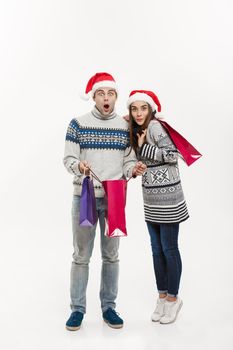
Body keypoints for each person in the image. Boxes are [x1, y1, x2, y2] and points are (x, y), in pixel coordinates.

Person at [63, 73, 146, 331]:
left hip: (114, 200)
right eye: (101, 93)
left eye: (110, 93)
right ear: (94, 96)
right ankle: (77, 310)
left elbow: (128, 160)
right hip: (84, 197)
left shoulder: (124, 128)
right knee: (81, 257)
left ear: (116, 97)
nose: (106, 97)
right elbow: (68, 160)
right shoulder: (78, 124)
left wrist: (134, 169)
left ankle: (109, 307)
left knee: (111, 256)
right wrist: (80, 166)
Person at [126, 90, 189, 324]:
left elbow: (174, 154)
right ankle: (161, 297)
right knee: (156, 249)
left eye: (143, 108)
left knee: (169, 248)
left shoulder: (154, 127)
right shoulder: (137, 129)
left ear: (150, 109)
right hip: (151, 198)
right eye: (134, 108)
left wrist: (145, 148)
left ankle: (173, 300)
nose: (139, 113)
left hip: (169, 198)